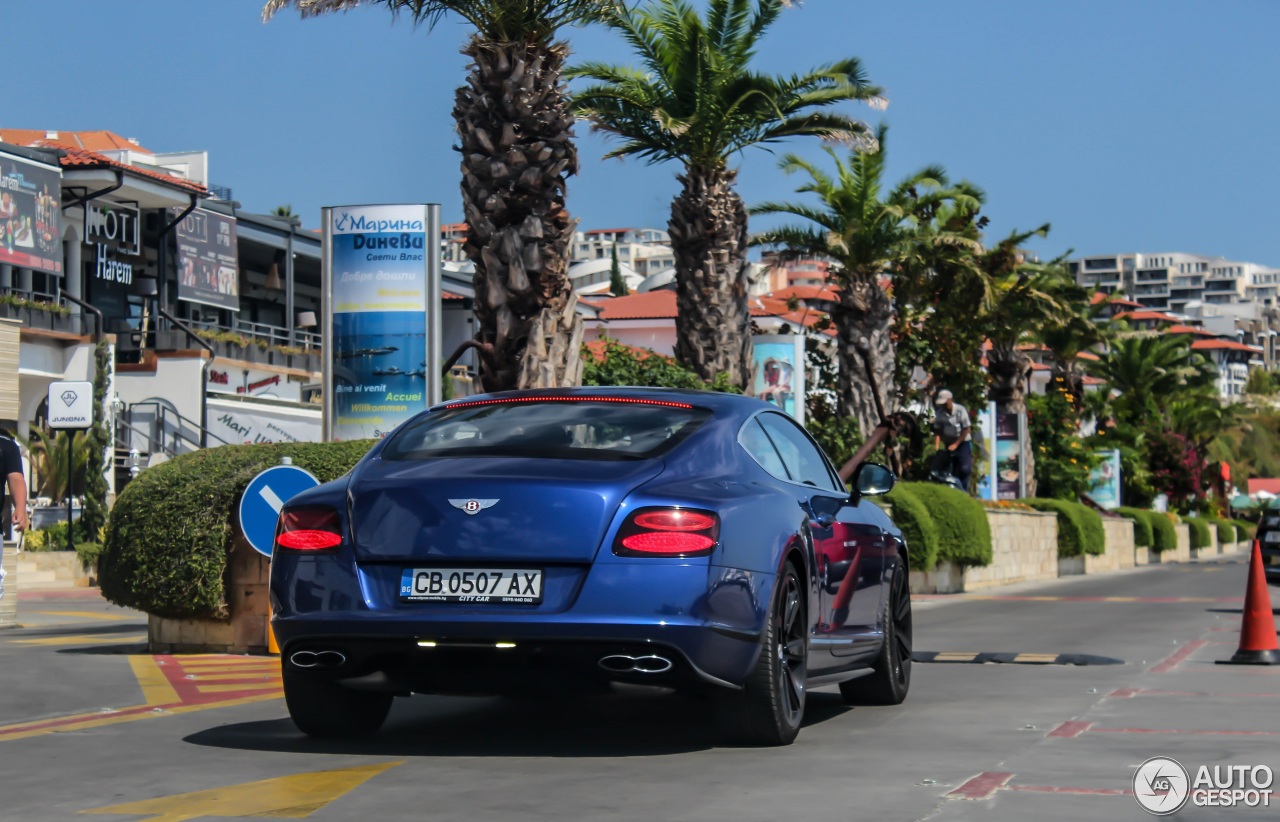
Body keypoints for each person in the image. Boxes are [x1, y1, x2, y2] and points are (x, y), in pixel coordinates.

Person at [932, 390, 972, 492]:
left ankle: (964, 490)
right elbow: (938, 430)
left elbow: (966, 429)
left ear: (950, 400)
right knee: (951, 470)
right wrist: (936, 445)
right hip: (948, 443)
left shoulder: (960, 410)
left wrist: (956, 444)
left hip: (962, 442)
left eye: (945, 403)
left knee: (965, 469)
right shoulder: (940, 413)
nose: (944, 406)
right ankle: (955, 491)